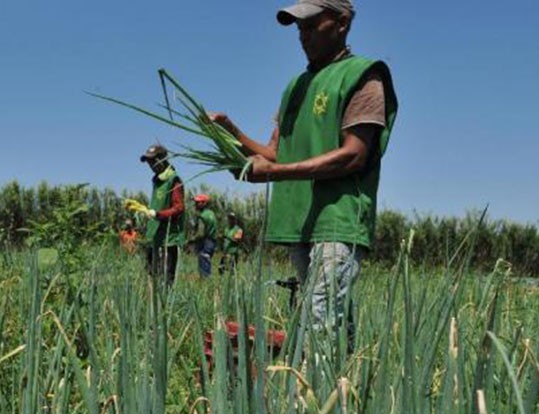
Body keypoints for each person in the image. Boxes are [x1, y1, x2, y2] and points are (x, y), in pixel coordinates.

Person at [209, 0, 398, 343]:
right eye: (300, 28)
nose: (303, 35)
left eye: (312, 26)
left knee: (319, 320)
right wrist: (229, 132)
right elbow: (275, 154)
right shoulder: (296, 86)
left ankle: (312, 395)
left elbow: (353, 155)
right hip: (301, 220)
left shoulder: (364, 76)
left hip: (338, 218)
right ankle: (348, 385)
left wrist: (274, 174)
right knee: (331, 321)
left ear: (342, 23)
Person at [140, 144, 185, 286]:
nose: (151, 165)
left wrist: (158, 214)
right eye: (149, 162)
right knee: (152, 276)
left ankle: (166, 306)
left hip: (168, 238)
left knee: (166, 281)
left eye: (153, 161)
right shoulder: (157, 180)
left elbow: (179, 208)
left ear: (163, 159)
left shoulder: (173, 179)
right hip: (154, 235)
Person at [190, 194, 217, 278]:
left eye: (197, 202)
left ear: (204, 203)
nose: (195, 204)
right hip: (212, 241)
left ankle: (205, 281)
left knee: (203, 260)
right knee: (207, 259)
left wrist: (192, 240)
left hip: (205, 242)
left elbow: (200, 233)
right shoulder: (211, 213)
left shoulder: (202, 216)